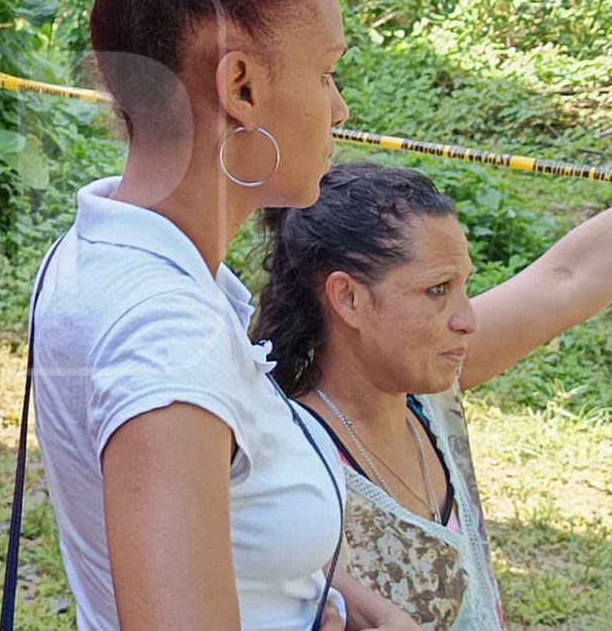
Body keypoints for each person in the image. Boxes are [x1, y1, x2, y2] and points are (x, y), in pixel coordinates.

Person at [29, 0, 415, 629]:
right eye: (325, 70)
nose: (337, 108)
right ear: (239, 85)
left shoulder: (101, 258)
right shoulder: (167, 332)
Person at [257, 160, 612, 628]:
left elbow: (568, 278)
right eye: (437, 290)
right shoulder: (283, 460)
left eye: (463, 286)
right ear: (348, 298)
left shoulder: (428, 392)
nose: (468, 319)